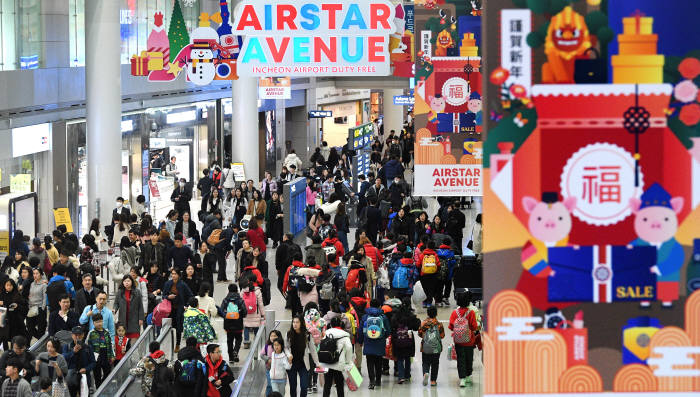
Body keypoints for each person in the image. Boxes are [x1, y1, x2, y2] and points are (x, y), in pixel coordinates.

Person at [359, 299, 391, 389]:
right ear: (379, 306)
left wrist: (360, 341)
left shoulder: (365, 317)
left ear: (370, 305)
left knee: (370, 362)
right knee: (378, 361)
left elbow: (361, 331)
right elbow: (388, 331)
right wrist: (382, 337)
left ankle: (371, 381)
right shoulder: (383, 317)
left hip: (368, 342)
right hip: (380, 342)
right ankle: (378, 381)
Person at [449, 291, 480, 387]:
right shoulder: (470, 312)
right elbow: (474, 326)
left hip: (458, 341)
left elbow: (450, 326)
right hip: (469, 341)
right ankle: (468, 376)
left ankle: (462, 379)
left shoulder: (455, 312)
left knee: (460, 359)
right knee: (469, 358)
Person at [320, 316, 354, 397]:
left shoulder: (326, 333)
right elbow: (349, 348)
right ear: (340, 324)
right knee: (339, 384)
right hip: (339, 363)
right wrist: (348, 362)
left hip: (327, 362)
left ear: (331, 325)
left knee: (327, 384)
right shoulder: (345, 336)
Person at [286, 315, 319, 397]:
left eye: (297, 322)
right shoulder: (289, 334)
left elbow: (313, 350)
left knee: (304, 387)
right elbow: (285, 348)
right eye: (293, 322)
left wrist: (317, 363)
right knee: (293, 388)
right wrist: (289, 354)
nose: (295, 324)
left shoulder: (307, 335)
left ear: (301, 323)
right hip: (292, 365)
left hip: (303, 364)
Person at [162, 269, 193, 351]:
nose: (173, 275)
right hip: (169, 309)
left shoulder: (183, 285)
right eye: (172, 274)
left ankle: (177, 344)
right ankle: (169, 344)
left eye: (175, 274)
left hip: (179, 309)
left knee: (178, 328)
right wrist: (168, 297)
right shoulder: (168, 283)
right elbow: (163, 295)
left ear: (179, 275)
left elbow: (190, 295)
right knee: (169, 326)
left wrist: (186, 305)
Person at [391, 298, 421, 384]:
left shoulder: (396, 315)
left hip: (398, 339)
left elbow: (392, 324)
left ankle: (401, 376)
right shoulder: (410, 315)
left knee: (400, 358)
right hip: (409, 339)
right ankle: (407, 375)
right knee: (408, 357)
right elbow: (416, 327)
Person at [62, 326, 96, 397]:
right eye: (75, 335)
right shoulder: (67, 346)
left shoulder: (88, 347)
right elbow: (63, 358)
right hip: (71, 378)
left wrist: (86, 369)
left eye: (79, 335)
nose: (77, 337)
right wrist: (73, 352)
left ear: (83, 335)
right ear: (72, 335)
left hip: (85, 377)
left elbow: (93, 362)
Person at [418, 305, 445, 386]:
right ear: (436, 314)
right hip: (436, 348)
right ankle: (433, 381)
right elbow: (442, 336)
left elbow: (419, 333)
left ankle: (425, 373)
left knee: (425, 362)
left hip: (425, 347)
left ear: (428, 313)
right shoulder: (439, 324)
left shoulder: (424, 323)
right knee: (435, 364)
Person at [113, 275, 144, 344]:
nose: (126, 283)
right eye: (125, 281)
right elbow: (116, 303)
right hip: (123, 318)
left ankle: (133, 353)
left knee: (134, 341)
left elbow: (140, 306)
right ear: (123, 283)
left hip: (134, 319)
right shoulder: (120, 292)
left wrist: (141, 318)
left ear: (132, 282)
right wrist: (114, 309)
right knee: (123, 340)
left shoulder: (137, 292)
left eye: (128, 281)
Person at [86, 313, 114, 387]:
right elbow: (87, 346)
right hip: (96, 357)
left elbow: (111, 344)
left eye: (100, 321)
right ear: (93, 323)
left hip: (106, 356)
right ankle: (99, 390)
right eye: (97, 322)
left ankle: (103, 387)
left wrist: (112, 355)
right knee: (97, 376)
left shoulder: (107, 332)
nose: (99, 323)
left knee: (108, 374)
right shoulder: (91, 333)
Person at [0, 279, 28, 350]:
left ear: (13, 286)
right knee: (4, 337)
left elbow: (24, 307)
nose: (8, 287)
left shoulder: (17, 295)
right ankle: (6, 352)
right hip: (4, 320)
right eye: (7, 285)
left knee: (14, 338)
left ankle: (13, 352)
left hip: (15, 321)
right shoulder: (2, 294)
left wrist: (17, 306)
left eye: (10, 285)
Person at [241, 276, 265, 349]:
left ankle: (246, 342)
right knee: (256, 326)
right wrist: (263, 314)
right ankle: (256, 341)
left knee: (246, 327)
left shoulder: (242, 291)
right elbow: (260, 304)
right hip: (255, 313)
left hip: (246, 313)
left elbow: (240, 302)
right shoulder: (257, 291)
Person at [418, 240, 442, 307]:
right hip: (433, 275)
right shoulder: (435, 255)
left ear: (427, 246)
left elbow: (418, 264)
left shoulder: (422, 254)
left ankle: (424, 302)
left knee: (424, 288)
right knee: (431, 289)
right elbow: (438, 265)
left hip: (424, 274)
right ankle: (429, 302)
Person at [26, 268, 47, 340]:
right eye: (34, 273)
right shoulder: (32, 284)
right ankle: (41, 340)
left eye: (37, 273)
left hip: (40, 308)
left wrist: (43, 308)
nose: (35, 275)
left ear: (41, 275)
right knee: (29, 327)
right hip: (32, 308)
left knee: (41, 329)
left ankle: (41, 341)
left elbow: (45, 297)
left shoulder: (44, 285)